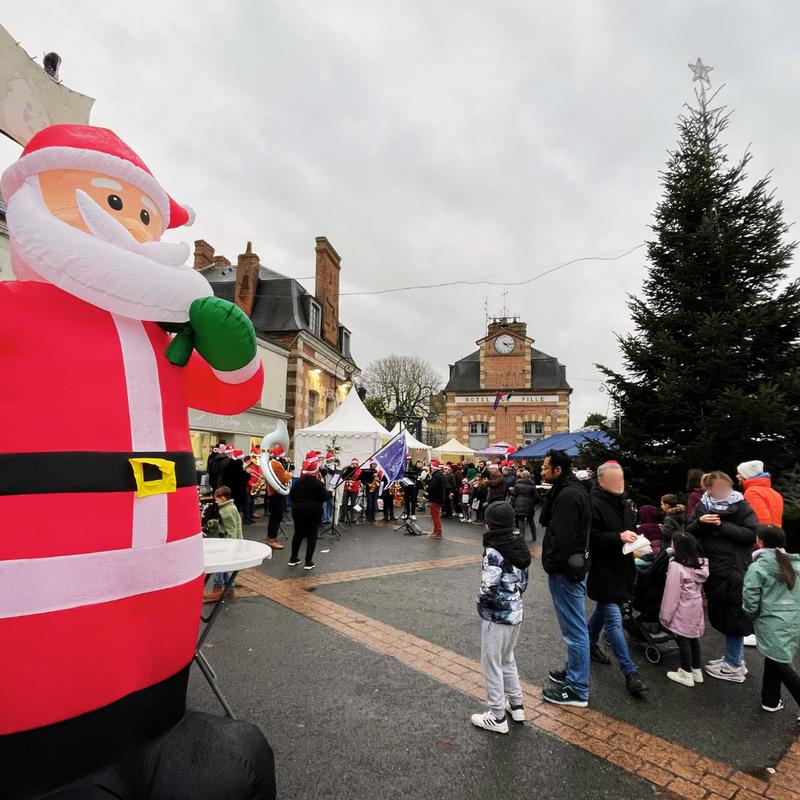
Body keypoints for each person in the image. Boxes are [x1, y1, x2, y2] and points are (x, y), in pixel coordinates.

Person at [687, 471, 759, 682]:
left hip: (735, 568)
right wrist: (700, 522)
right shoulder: (703, 505)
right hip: (715, 569)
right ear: (708, 489)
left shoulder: (742, 504)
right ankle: (733, 658)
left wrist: (720, 526)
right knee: (724, 614)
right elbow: (689, 532)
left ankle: (734, 665)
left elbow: (750, 535)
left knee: (734, 615)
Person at [586, 461, 649, 696]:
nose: (618, 483)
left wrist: (635, 539)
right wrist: (618, 537)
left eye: (620, 479)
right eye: (613, 479)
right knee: (613, 619)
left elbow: (627, 530)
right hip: (604, 570)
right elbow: (590, 538)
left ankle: (589, 644)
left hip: (623, 567)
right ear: (601, 481)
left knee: (602, 613)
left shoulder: (624, 502)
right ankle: (630, 673)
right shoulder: (593, 503)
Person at [470, 502, 531, 734]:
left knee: (491, 663)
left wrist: (480, 604)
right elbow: (523, 582)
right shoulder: (518, 544)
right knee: (507, 658)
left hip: (496, 615)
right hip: (515, 610)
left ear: (489, 524)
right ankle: (516, 704)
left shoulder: (494, 549)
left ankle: (496, 716)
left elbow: (489, 586)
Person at [539, 449, 592, 707]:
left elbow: (562, 536)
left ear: (558, 470)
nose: (542, 470)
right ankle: (573, 673)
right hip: (570, 567)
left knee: (574, 630)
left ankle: (578, 688)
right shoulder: (567, 489)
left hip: (566, 570)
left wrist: (551, 564)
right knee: (574, 627)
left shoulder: (569, 494)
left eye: (546, 467)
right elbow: (546, 519)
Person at [742, 525, 800, 718]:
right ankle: (770, 700)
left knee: (781, 663)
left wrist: (750, 615)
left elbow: (750, 598)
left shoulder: (758, 566)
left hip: (771, 621)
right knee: (774, 657)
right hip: (793, 619)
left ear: (759, 541)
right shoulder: (796, 563)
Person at [659, 532, 709, 687]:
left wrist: (665, 616)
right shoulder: (700, 564)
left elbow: (671, 594)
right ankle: (696, 670)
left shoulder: (676, 566)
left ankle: (685, 672)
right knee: (693, 638)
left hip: (683, 607)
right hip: (695, 606)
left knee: (683, 639)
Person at [288, 453, 329, 570]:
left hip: (297, 510)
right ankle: (308, 561)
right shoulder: (318, 483)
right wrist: (330, 492)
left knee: (298, 534)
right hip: (313, 511)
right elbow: (323, 497)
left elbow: (291, 496)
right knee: (312, 535)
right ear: (316, 471)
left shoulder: (299, 482)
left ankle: (293, 558)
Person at [203, 486, 243, 603]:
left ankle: (218, 588)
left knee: (219, 565)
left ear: (223, 498)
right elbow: (226, 525)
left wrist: (230, 545)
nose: (215, 501)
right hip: (230, 542)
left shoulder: (226, 511)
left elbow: (232, 530)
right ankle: (229, 589)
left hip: (228, 542)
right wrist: (214, 522)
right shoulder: (229, 507)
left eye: (217, 499)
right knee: (226, 566)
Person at [737, 460, 784, 527]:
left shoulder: (752, 492)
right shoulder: (775, 493)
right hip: (776, 534)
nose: (737, 476)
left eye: (739, 474)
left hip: (763, 535)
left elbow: (761, 520)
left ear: (747, 475)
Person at [265, 450, 291, 551]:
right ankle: (272, 539)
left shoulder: (271, 463)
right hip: (276, 493)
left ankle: (270, 538)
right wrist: (289, 475)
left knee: (274, 517)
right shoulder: (276, 464)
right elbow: (284, 479)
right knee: (276, 517)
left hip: (273, 493)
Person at [510, 469, 538, 541]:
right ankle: (534, 537)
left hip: (519, 504)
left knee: (521, 520)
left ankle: (522, 537)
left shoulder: (517, 484)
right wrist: (534, 504)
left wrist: (513, 504)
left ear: (521, 476)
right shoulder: (532, 485)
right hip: (529, 505)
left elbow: (513, 495)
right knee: (531, 521)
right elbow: (536, 497)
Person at [426, 460, 446, 539]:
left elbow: (433, 487)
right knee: (435, 516)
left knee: (435, 516)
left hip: (435, 499)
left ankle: (438, 532)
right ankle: (436, 531)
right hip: (439, 498)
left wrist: (427, 488)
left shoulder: (436, 476)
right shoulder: (441, 475)